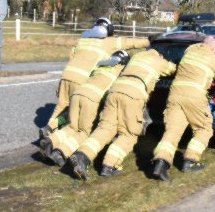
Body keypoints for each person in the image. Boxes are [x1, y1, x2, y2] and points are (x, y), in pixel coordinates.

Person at [67, 49, 177, 180]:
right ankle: (110, 165)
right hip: (133, 94)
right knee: (128, 134)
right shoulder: (160, 61)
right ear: (159, 55)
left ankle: (82, 156)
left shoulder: (136, 56)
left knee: (105, 128)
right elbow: (174, 69)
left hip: (114, 91)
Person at [41, 18, 149, 137]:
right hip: (82, 79)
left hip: (66, 75)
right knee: (75, 109)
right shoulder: (109, 42)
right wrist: (150, 41)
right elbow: (131, 42)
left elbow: (72, 57)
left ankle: (49, 127)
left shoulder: (82, 41)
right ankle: (62, 136)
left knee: (61, 105)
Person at [151, 36, 215, 181]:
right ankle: (190, 160)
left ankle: (160, 162)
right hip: (195, 97)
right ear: (213, 48)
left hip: (174, 95)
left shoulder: (188, 52)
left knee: (173, 130)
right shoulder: (214, 59)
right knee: (204, 128)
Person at [40, 50, 129, 167]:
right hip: (91, 99)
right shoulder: (120, 72)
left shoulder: (101, 66)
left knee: (72, 127)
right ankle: (60, 154)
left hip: (77, 95)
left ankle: (50, 142)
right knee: (83, 132)